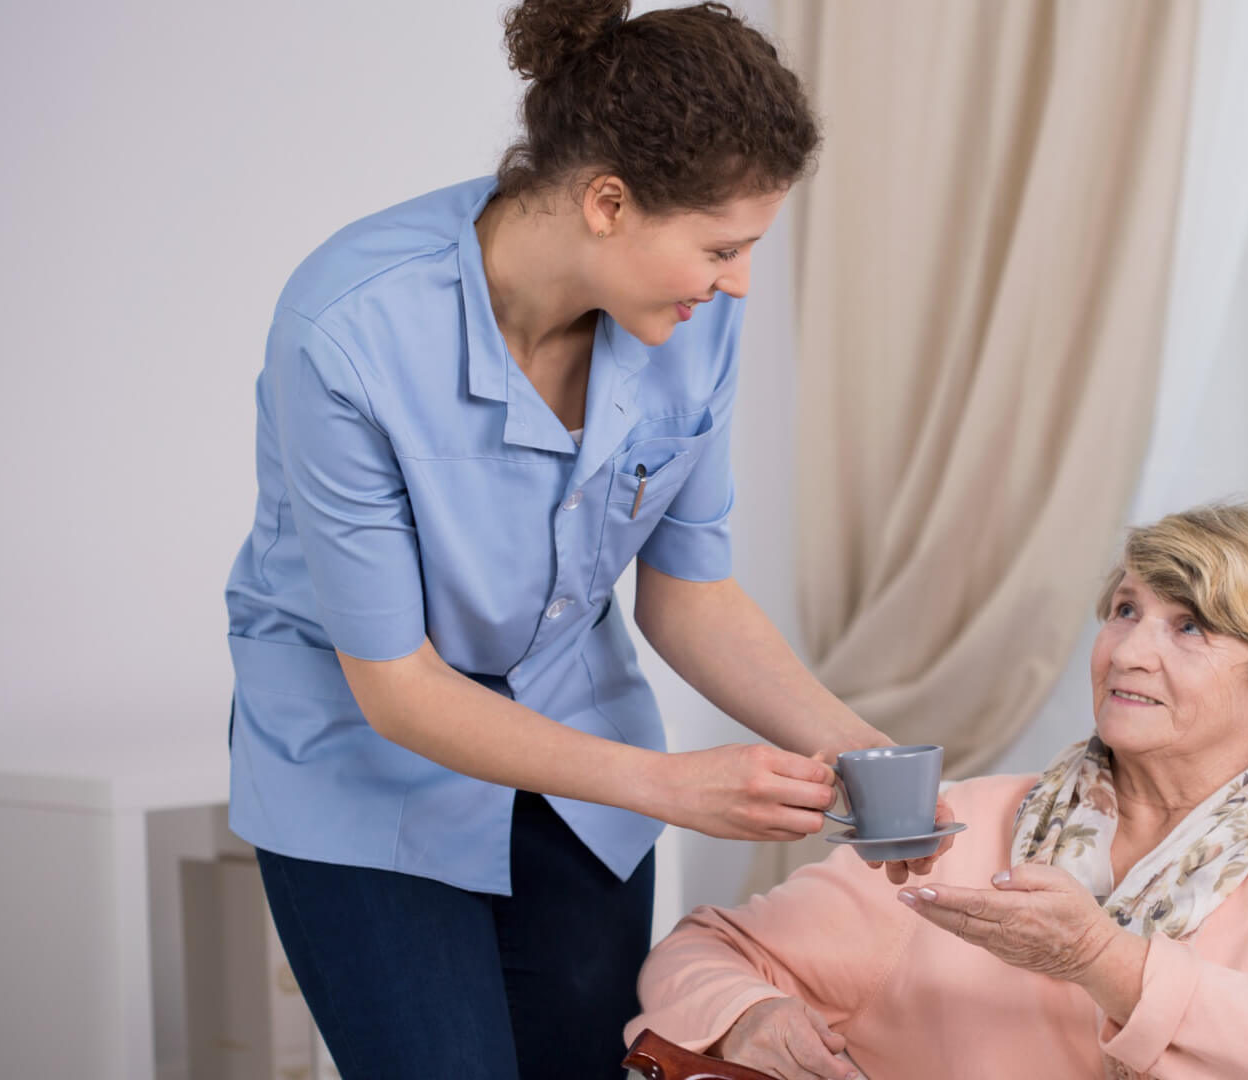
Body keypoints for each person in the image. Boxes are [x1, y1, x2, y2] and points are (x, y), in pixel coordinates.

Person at [222, 3, 947, 1076]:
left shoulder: (695, 319)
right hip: (368, 771)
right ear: (608, 203)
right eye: (721, 247)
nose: (738, 281)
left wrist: (873, 763)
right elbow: (399, 689)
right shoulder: (349, 330)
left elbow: (691, 595)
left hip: (579, 757)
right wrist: (669, 785)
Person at [628, 500, 1248, 1080]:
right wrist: (750, 1016)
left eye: (1189, 626)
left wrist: (1102, 961)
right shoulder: (968, 823)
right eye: (1124, 610)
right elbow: (704, 950)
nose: (1127, 652)